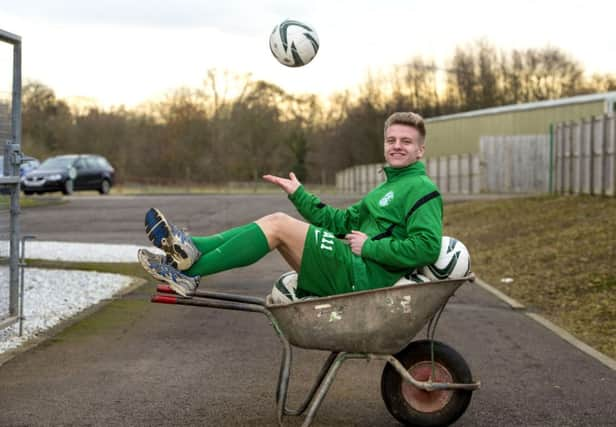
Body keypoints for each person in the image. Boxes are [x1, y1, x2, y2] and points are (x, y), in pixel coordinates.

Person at [138, 111, 443, 298]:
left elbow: (427, 246)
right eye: (392, 140)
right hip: (352, 265)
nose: (397, 146)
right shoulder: (387, 187)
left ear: (420, 150)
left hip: (361, 274)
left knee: (278, 224)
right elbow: (339, 222)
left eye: (406, 141)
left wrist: (371, 248)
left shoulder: (421, 188)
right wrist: (299, 193)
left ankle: (189, 271)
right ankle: (191, 248)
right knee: (275, 221)